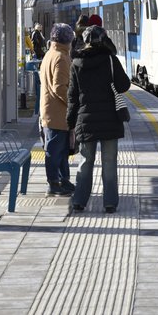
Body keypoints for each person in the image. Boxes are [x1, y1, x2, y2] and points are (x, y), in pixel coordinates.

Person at [67, 25, 131, 213]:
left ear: (85, 41)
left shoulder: (76, 63)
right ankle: (110, 203)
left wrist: (70, 123)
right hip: (110, 119)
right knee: (109, 162)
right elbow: (124, 85)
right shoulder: (111, 60)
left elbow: (72, 97)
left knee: (86, 161)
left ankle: (79, 201)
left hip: (86, 121)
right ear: (103, 40)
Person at [39, 23, 76, 196]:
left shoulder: (50, 53)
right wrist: (73, 103)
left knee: (59, 150)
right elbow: (60, 87)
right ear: (67, 40)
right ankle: (54, 183)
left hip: (51, 110)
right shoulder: (61, 57)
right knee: (55, 151)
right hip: (57, 112)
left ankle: (63, 180)